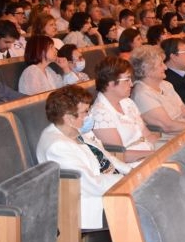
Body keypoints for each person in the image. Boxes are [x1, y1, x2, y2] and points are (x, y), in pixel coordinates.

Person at [36, 85, 131, 230]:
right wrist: (128, 181)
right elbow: (91, 185)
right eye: (85, 112)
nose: (89, 116)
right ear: (68, 118)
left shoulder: (73, 130)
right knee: (150, 200)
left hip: (111, 185)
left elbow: (106, 157)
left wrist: (132, 171)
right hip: (92, 202)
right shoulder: (57, 146)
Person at [89, 56, 159, 163]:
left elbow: (148, 135)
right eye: (127, 80)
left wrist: (166, 147)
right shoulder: (100, 114)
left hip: (148, 153)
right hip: (133, 164)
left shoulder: (127, 102)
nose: (131, 84)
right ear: (110, 83)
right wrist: (155, 155)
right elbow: (119, 156)